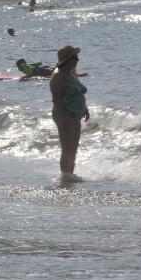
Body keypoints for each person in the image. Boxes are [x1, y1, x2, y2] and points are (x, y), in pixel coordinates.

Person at [50, 45, 89, 182]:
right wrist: (62, 119)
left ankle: (70, 174)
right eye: (75, 57)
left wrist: (85, 108)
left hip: (75, 114)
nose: (78, 60)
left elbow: (77, 91)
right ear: (66, 60)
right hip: (64, 115)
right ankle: (65, 176)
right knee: (67, 147)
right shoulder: (58, 76)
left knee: (74, 146)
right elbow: (56, 100)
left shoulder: (71, 73)